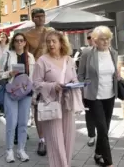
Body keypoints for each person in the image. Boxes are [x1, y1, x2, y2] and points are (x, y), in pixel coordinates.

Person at [33, 30, 83, 167]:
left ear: (61, 43)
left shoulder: (69, 59)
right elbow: (36, 84)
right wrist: (53, 86)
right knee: (55, 140)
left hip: (67, 102)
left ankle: (66, 164)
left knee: (68, 138)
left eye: (54, 41)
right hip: (51, 103)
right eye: (48, 42)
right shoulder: (41, 61)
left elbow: (74, 77)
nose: (51, 44)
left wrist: (74, 84)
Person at [78, 26, 119, 167]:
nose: (106, 41)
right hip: (93, 96)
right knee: (101, 128)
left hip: (110, 95)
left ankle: (97, 154)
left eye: (108, 38)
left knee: (105, 129)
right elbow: (80, 75)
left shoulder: (113, 53)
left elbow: (114, 73)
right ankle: (108, 162)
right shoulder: (87, 53)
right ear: (95, 40)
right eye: (103, 39)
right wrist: (83, 90)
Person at [0, 32, 35, 163]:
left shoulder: (30, 57)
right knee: (11, 122)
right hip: (11, 92)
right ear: (13, 42)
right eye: (17, 40)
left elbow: (32, 77)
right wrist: (10, 73)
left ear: (25, 42)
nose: (19, 43)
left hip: (26, 93)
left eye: (21, 41)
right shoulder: (7, 55)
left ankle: (21, 149)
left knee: (23, 123)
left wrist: (34, 93)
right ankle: (9, 150)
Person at [25, 8, 52, 156]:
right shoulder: (28, 35)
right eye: (38, 16)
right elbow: (27, 59)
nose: (41, 19)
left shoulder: (51, 32)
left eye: (43, 16)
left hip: (52, 71)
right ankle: (42, 139)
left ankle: (52, 136)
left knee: (53, 104)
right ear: (33, 18)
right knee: (38, 107)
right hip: (36, 73)